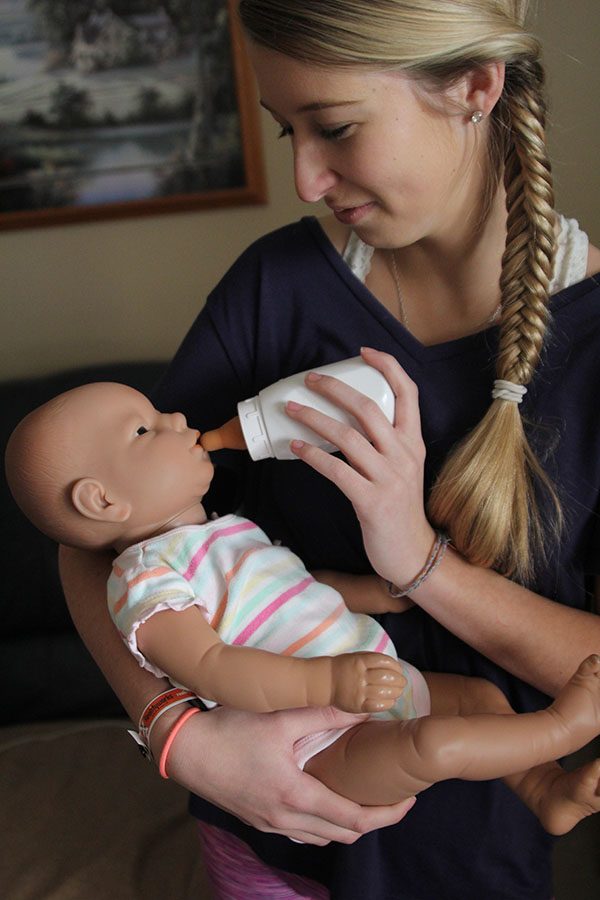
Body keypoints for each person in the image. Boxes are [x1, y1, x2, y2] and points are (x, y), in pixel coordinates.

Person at [56, 1, 600, 898]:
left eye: (336, 127)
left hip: (470, 861)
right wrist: (180, 737)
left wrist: (419, 563)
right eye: (286, 133)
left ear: (475, 86)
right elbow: (93, 533)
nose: (307, 179)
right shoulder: (276, 291)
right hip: (261, 846)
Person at [7, 379, 600, 834]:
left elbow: (285, 587)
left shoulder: (218, 532)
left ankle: (545, 789)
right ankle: (559, 728)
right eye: (143, 430)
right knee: (437, 746)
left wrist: (371, 592)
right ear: (102, 500)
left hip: (368, 684)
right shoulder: (144, 583)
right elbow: (211, 667)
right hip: (318, 745)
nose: (177, 419)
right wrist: (324, 680)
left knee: (479, 699)